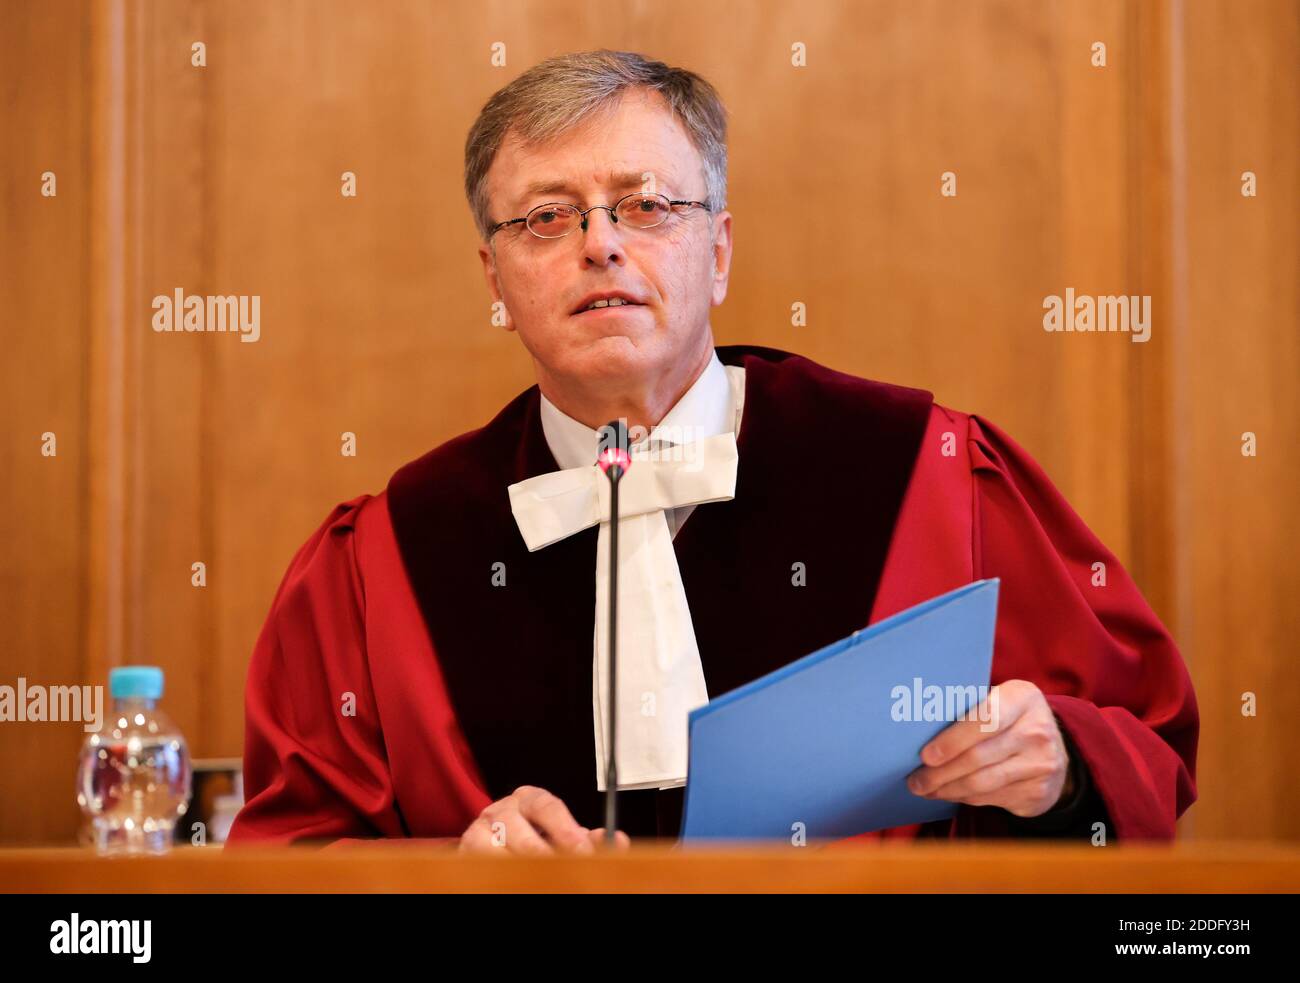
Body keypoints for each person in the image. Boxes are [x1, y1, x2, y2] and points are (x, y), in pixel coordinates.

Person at [226, 50, 1197, 853]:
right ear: (494, 274)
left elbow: (1144, 747)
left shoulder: (928, 471)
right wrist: (453, 865)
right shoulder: (387, 551)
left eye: (646, 206)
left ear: (720, 251)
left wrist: (1062, 762)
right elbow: (286, 859)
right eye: (545, 218)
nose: (600, 245)